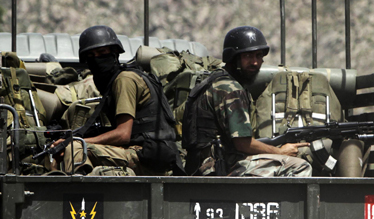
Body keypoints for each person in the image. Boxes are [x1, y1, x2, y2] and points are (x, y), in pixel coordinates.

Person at [51, 25, 183, 176]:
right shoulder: (124, 78)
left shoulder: (124, 79)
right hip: (153, 154)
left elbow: (123, 134)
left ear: (114, 53)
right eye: (91, 55)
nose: (97, 59)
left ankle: (77, 193)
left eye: (102, 53)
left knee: (75, 148)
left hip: (147, 156)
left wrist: (78, 142)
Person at [182, 26, 312, 177]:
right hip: (220, 167)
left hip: (205, 164)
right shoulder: (230, 89)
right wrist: (280, 151)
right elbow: (243, 144)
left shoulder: (215, 81)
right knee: (299, 166)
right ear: (233, 58)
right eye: (248, 56)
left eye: (258, 56)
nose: (255, 62)